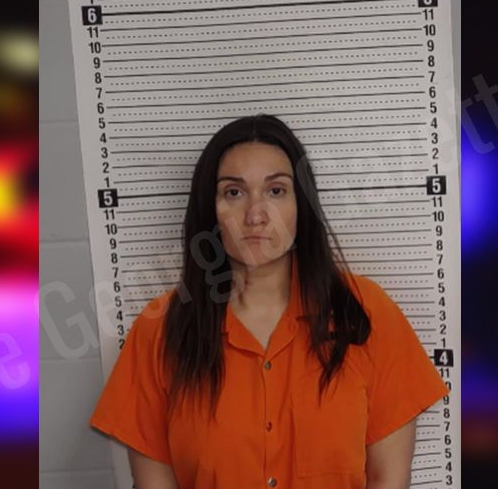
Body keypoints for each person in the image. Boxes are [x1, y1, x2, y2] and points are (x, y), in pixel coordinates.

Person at [90, 114, 450, 489]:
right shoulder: (159, 332)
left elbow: (388, 479)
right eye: (233, 192)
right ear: (209, 209)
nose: (255, 215)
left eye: (276, 191)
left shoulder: (365, 313)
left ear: (302, 204)